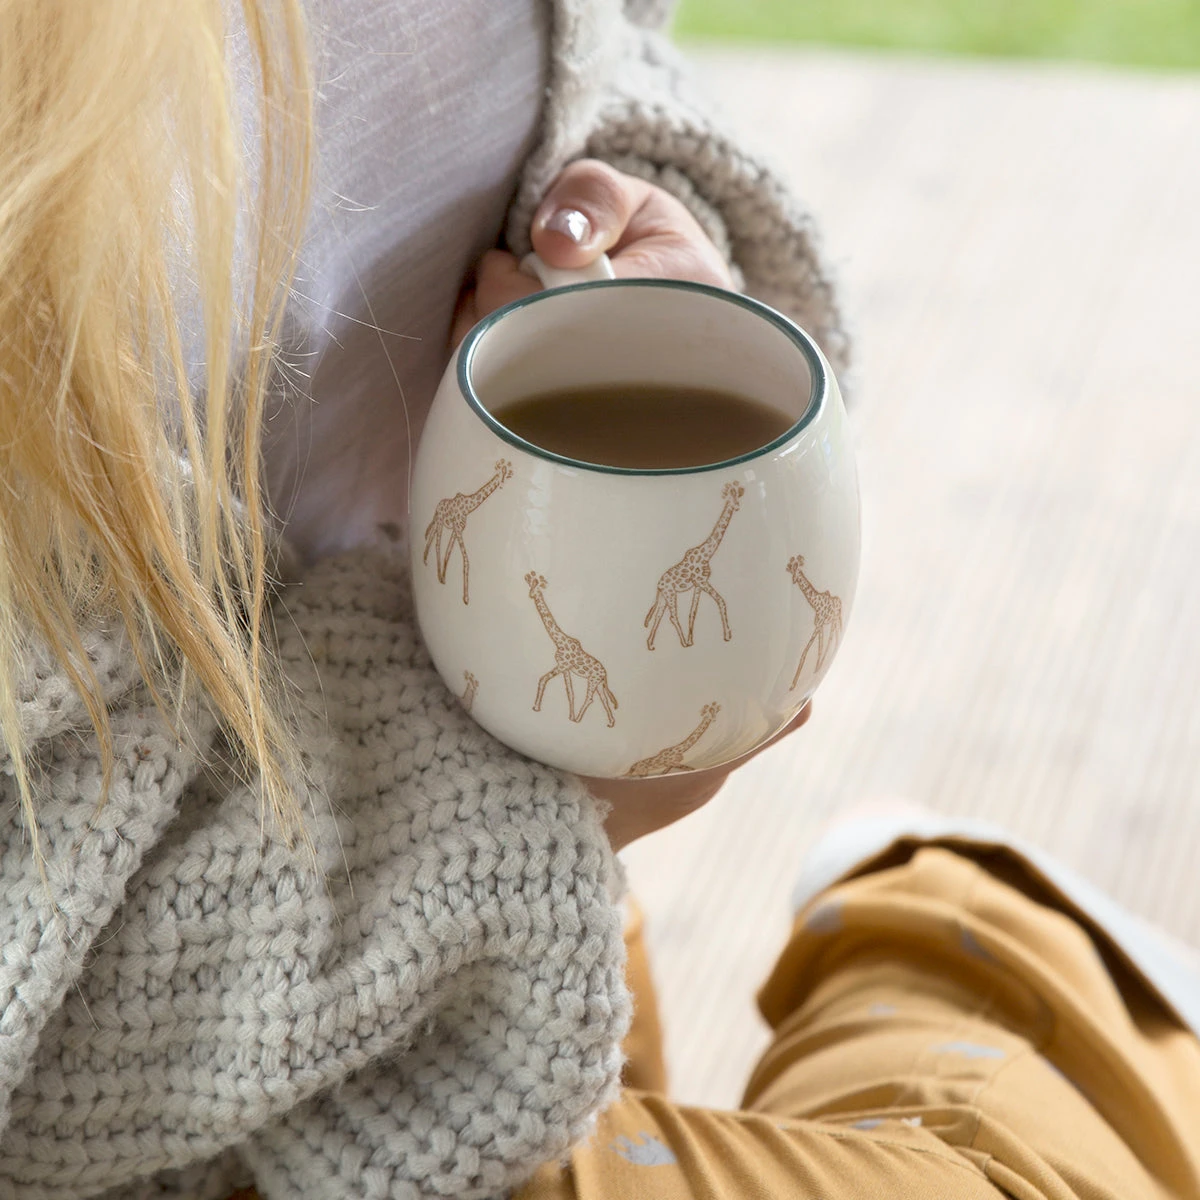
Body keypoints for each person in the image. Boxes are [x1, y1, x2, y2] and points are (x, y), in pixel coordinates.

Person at [0, 3, 1195, 1199]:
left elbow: (599, 59)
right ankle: (965, 935)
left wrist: (643, 236)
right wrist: (494, 817)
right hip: (269, 1033)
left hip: (508, 939)